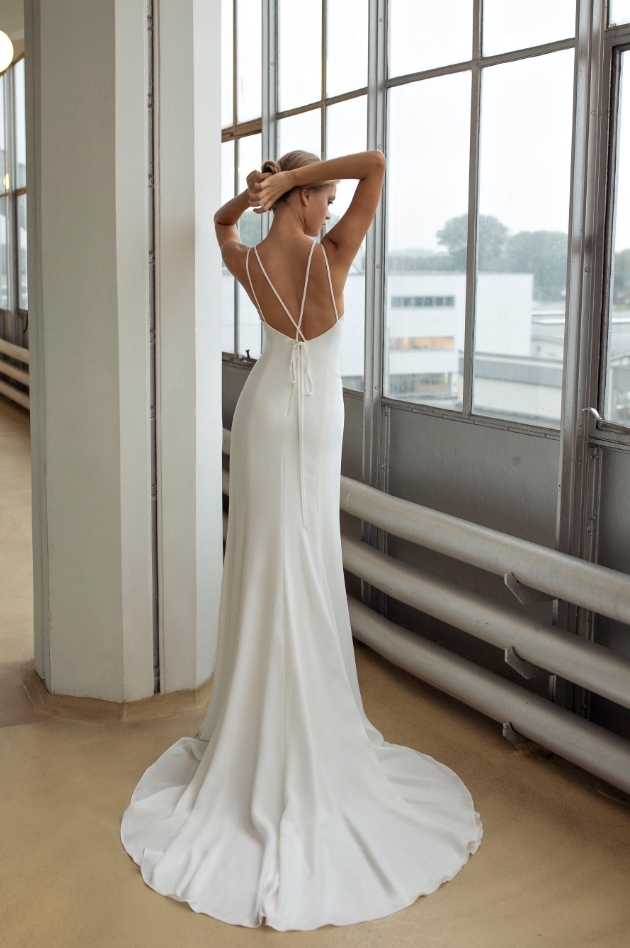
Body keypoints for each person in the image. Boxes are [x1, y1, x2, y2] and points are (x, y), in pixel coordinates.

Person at [120, 150, 482, 931]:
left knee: (260, 561)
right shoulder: (334, 257)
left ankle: (251, 724)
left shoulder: (251, 258)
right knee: (307, 562)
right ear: (308, 198)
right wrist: (289, 184)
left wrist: (255, 195)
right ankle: (303, 721)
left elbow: (220, 223)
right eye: (320, 197)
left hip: (260, 416)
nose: (327, 208)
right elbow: (381, 162)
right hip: (316, 422)